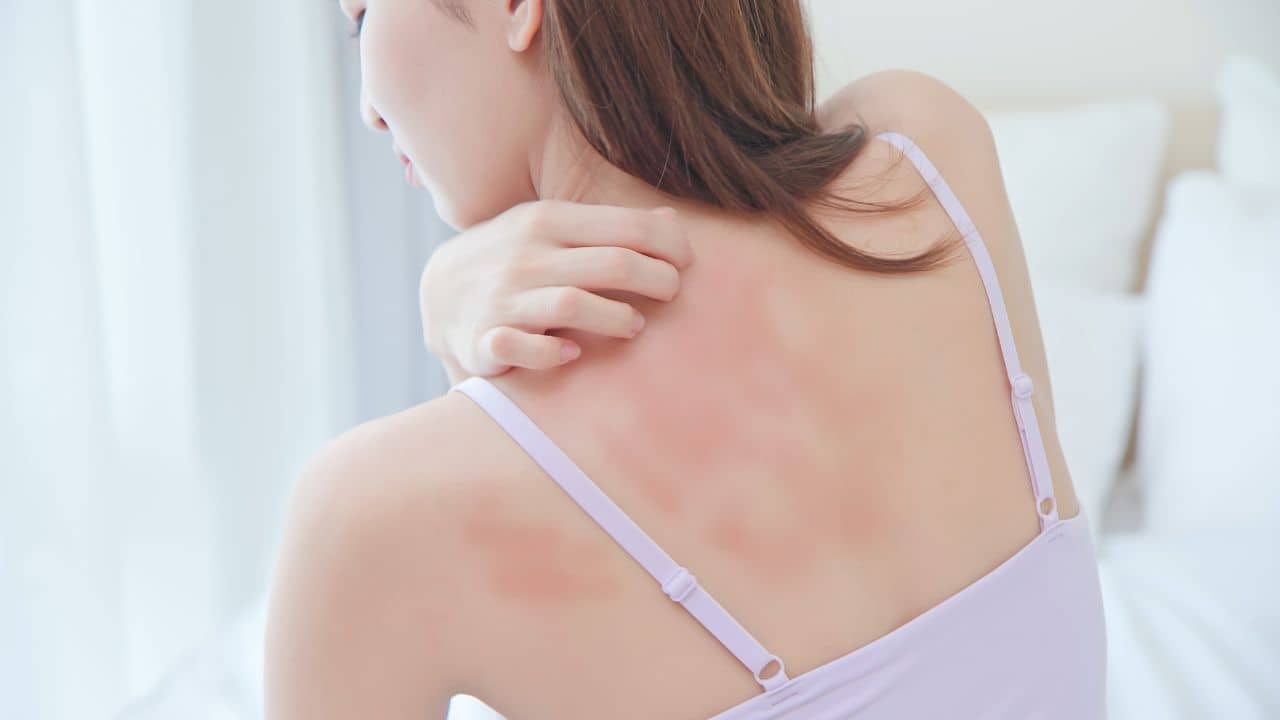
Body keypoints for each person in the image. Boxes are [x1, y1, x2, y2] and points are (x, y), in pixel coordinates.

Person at [265, 1, 1107, 718]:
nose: (370, 110)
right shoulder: (928, 156)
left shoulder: (367, 518)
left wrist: (445, 313)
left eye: (362, 15)